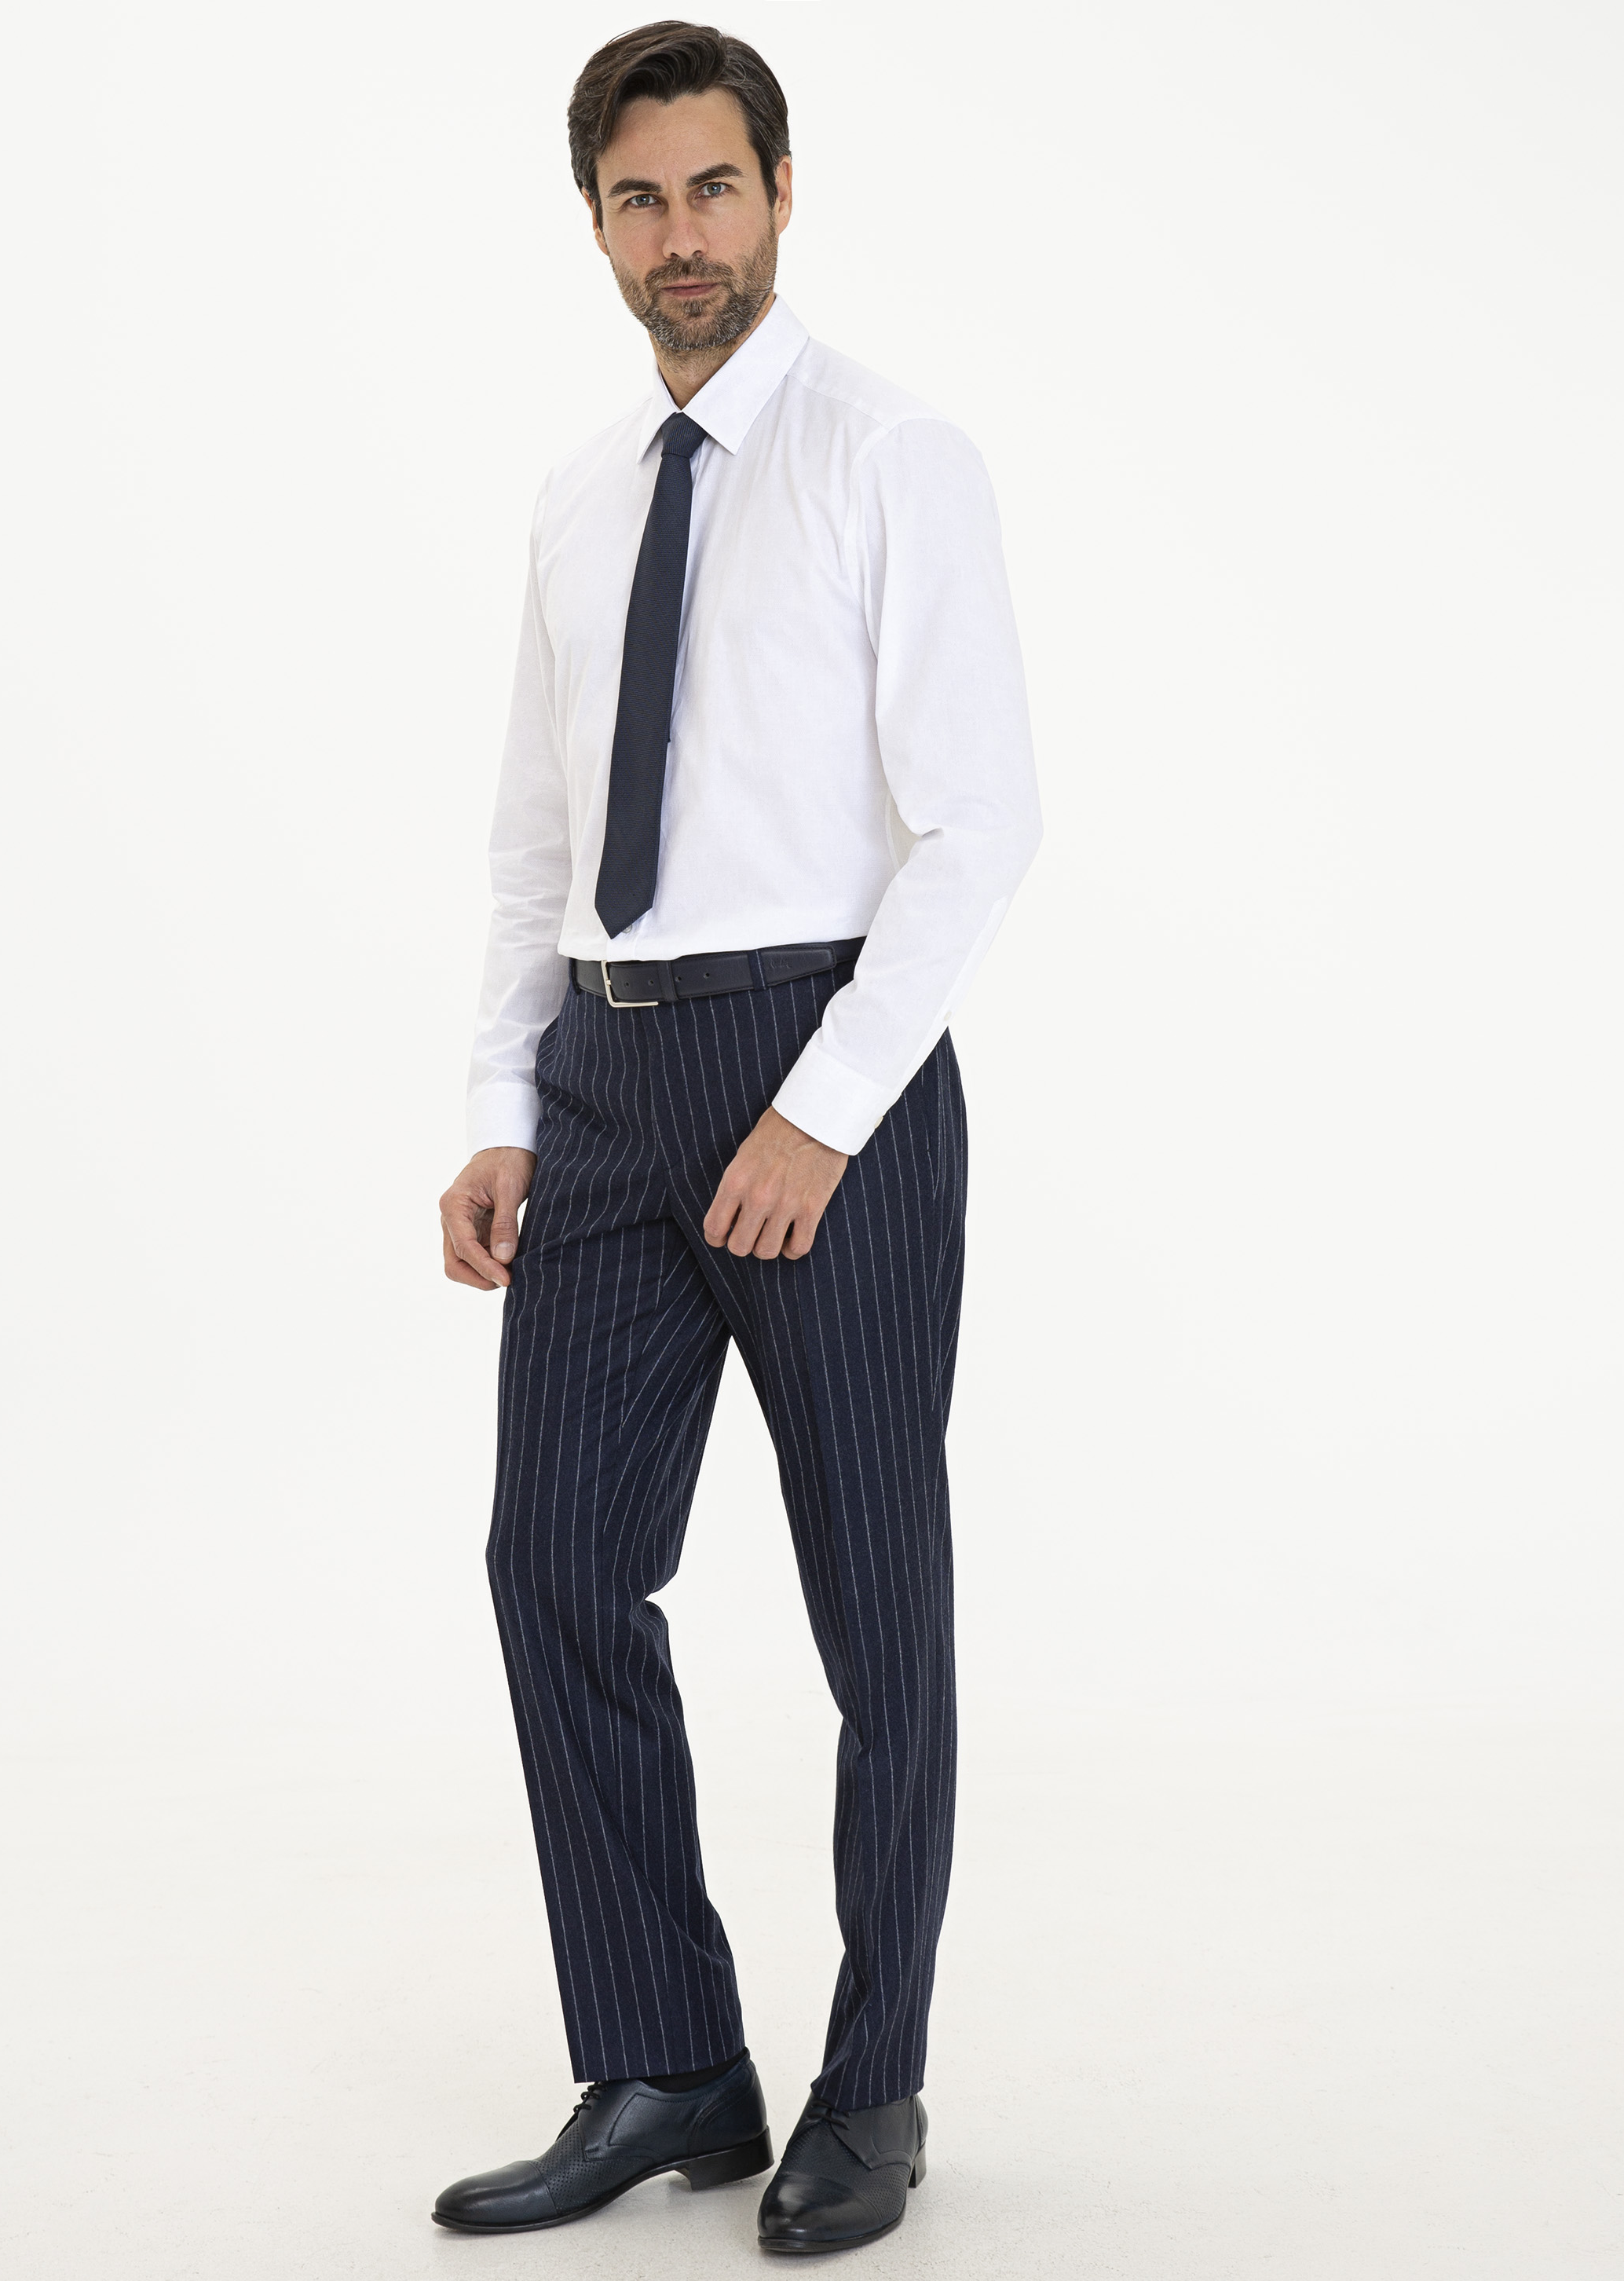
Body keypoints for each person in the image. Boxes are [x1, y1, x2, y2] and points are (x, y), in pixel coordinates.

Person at [433, 18, 1040, 2256]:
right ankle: (670, 2058)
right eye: (638, 199)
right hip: (604, 1075)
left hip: (822, 1062)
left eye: (712, 187)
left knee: (876, 1602)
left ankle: (871, 2087)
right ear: (596, 227)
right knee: (556, 1564)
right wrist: (502, 1099)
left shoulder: (894, 456)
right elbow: (537, 831)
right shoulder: (580, 494)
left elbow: (980, 825)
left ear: (781, 192)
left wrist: (818, 1110)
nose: (679, 234)